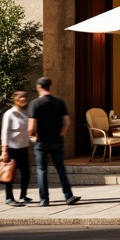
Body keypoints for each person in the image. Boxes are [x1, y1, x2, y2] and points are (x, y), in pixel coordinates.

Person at [28, 77, 81, 207]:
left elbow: (31, 126)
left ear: (39, 87)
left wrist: (32, 136)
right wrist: (61, 134)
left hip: (41, 142)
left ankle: (44, 199)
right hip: (57, 141)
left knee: (42, 170)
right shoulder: (59, 102)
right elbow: (67, 122)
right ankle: (68, 196)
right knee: (60, 169)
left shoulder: (35, 103)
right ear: (50, 87)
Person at [0, 90, 32, 207]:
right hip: (12, 149)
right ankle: (9, 197)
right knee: (10, 174)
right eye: (21, 100)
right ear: (16, 100)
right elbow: (4, 132)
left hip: (23, 148)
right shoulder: (9, 114)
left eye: (25, 99)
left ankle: (23, 195)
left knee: (26, 173)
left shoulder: (25, 113)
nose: (23, 101)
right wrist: (4, 151)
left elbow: (28, 130)